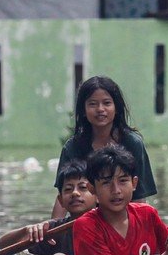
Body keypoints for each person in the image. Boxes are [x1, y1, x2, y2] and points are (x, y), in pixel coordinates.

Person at [73, 145, 168, 255]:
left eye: (123, 181)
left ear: (134, 183)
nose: (116, 190)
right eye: (106, 183)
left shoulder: (147, 214)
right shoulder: (85, 226)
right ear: (92, 189)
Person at [52, 76, 156, 218]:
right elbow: (64, 195)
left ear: (116, 108)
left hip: (122, 219)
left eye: (107, 103)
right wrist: (52, 233)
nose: (100, 109)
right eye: (93, 104)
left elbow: (139, 198)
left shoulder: (132, 143)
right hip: (85, 221)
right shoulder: (73, 147)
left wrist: (140, 229)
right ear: (83, 110)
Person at [0, 160, 95, 255]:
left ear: (97, 195)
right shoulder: (54, 230)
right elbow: (2, 245)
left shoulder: (106, 225)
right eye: (68, 189)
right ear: (61, 200)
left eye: (82, 187)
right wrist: (26, 231)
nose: (75, 193)